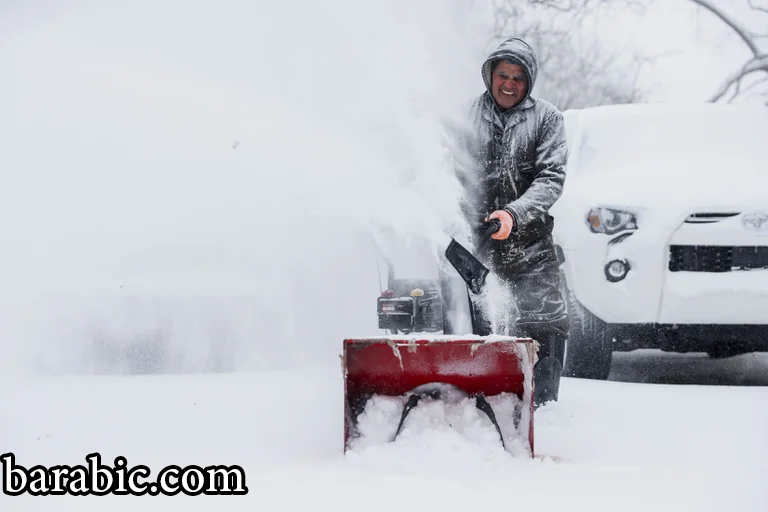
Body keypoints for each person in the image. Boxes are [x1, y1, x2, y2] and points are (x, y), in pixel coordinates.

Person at [450, 37, 570, 408]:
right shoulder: (464, 117)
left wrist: (513, 214)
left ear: (529, 81)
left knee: (544, 323)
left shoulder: (547, 118)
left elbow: (551, 178)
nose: (509, 83)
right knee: (476, 325)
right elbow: (447, 172)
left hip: (530, 243)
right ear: (490, 75)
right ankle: (478, 403)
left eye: (519, 77)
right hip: (474, 247)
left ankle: (543, 407)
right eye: (503, 74)